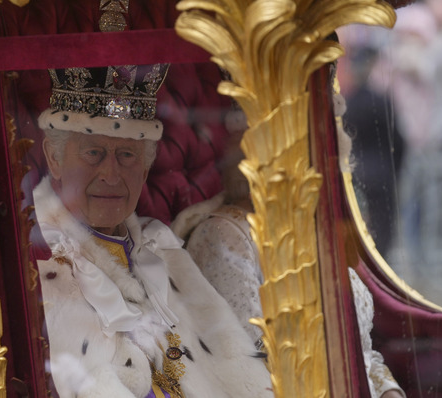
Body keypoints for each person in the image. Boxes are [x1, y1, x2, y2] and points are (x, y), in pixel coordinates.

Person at [32, 64, 273, 397]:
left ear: (145, 168)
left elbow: (238, 375)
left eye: (127, 154)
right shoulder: (38, 262)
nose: (111, 174)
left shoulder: (162, 249)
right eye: (93, 153)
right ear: (54, 159)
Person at [174, 91, 405, 398]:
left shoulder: (319, 231)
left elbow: (362, 354)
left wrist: (389, 392)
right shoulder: (225, 237)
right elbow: (251, 371)